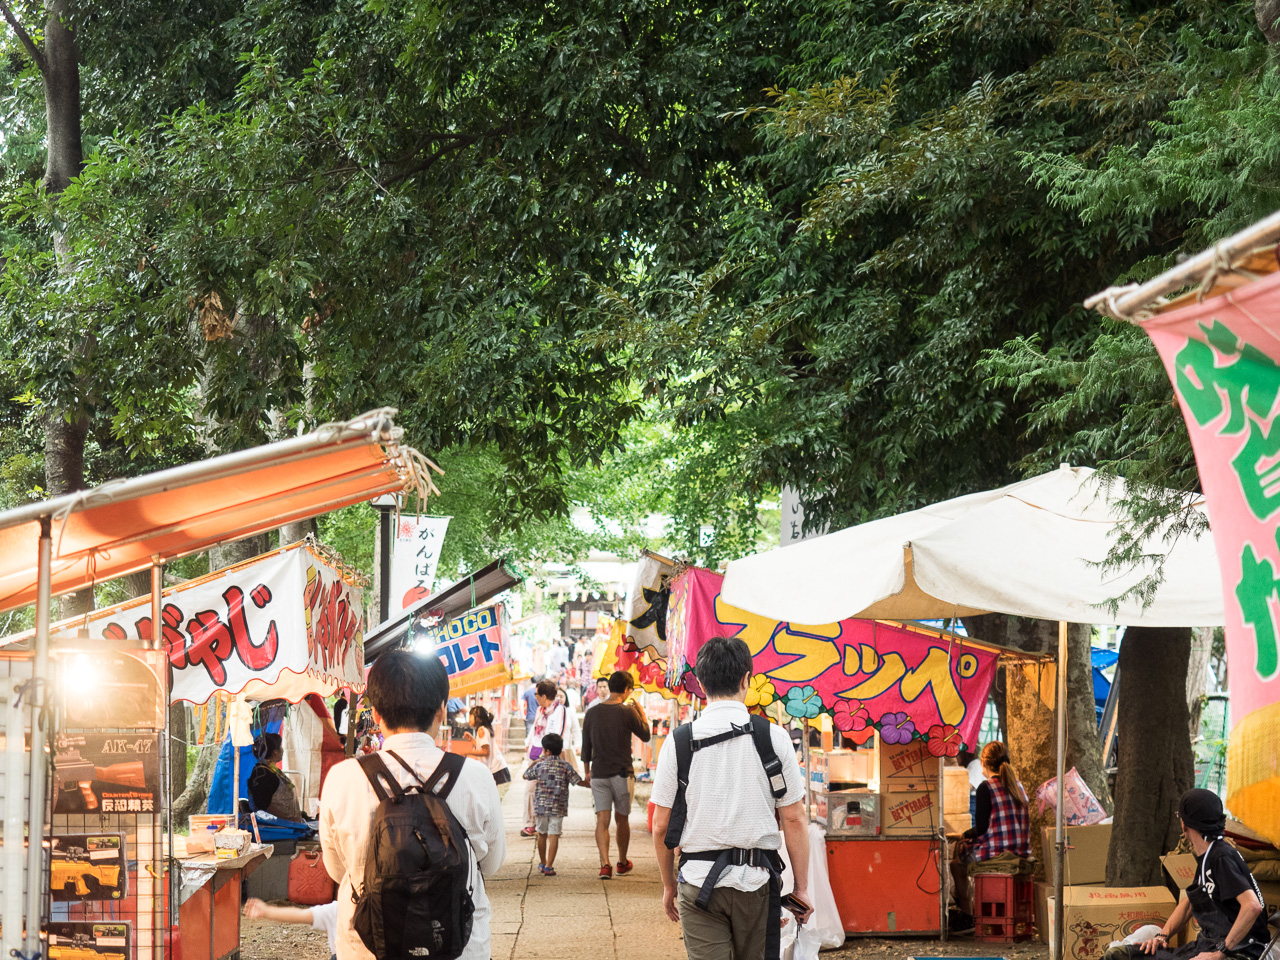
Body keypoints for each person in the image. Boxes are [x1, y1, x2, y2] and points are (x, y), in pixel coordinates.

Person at [319, 649, 505, 960]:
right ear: (441, 710)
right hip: (459, 947)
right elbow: (491, 863)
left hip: (367, 947)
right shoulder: (476, 777)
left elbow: (338, 871)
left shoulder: (342, 778)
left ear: (376, 714)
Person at [651, 637, 811, 960]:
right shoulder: (774, 738)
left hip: (698, 885)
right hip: (757, 884)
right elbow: (794, 818)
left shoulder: (679, 742)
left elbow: (660, 825)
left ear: (700, 681)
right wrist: (802, 888)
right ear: (746, 680)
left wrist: (668, 884)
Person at [1103, 789, 1269, 960]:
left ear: (1184, 825)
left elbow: (1252, 906)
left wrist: (1220, 953)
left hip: (1240, 951)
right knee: (1120, 955)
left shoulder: (1221, 857)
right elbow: (1190, 903)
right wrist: (1162, 936)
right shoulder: (1208, 856)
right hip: (1206, 944)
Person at [581, 670, 651, 878]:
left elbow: (586, 746)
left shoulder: (592, 713)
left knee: (602, 820)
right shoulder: (627, 711)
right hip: (622, 774)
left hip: (599, 774)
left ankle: (605, 864)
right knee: (622, 819)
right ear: (628, 690)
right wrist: (640, 711)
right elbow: (646, 735)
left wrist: (587, 772)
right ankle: (621, 861)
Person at [521, 732, 583, 877]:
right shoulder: (565, 766)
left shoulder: (540, 766)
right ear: (560, 749)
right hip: (558, 807)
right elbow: (577, 781)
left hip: (541, 807)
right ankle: (549, 865)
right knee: (554, 835)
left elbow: (525, 775)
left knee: (542, 834)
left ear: (546, 751)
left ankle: (542, 862)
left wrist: (535, 762)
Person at [960, 741, 1030, 861]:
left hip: (996, 853)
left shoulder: (986, 787)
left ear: (984, 763)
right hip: (1022, 851)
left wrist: (964, 835)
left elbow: (982, 829)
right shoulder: (1018, 785)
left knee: (957, 864)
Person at [521, 679, 570, 838]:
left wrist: (549, 754)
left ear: (543, 696)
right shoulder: (540, 710)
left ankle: (549, 825)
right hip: (534, 754)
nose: (535, 696)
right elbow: (535, 729)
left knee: (549, 791)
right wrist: (528, 744)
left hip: (549, 756)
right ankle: (530, 823)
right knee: (530, 789)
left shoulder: (560, 710)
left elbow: (558, 732)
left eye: (536, 694)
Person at [244, 897, 338, 960]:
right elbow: (300, 915)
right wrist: (266, 911)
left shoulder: (338, 909)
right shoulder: (337, 910)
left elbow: (301, 915)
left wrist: (267, 911)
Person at [248, 733, 305, 821]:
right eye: (280, 747)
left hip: (289, 824)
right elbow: (262, 806)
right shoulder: (262, 774)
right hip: (276, 827)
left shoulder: (271, 770)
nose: (282, 750)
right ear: (275, 752)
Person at [459, 705, 512, 797]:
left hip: (494, 768)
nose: (469, 719)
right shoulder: (484, 729)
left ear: (477, 717)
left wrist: (467, 752)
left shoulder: (481, 730)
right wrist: (472, 739)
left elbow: (485, 752)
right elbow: (483, 747)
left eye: (471, 716)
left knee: (487, 796)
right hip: (497, 767)